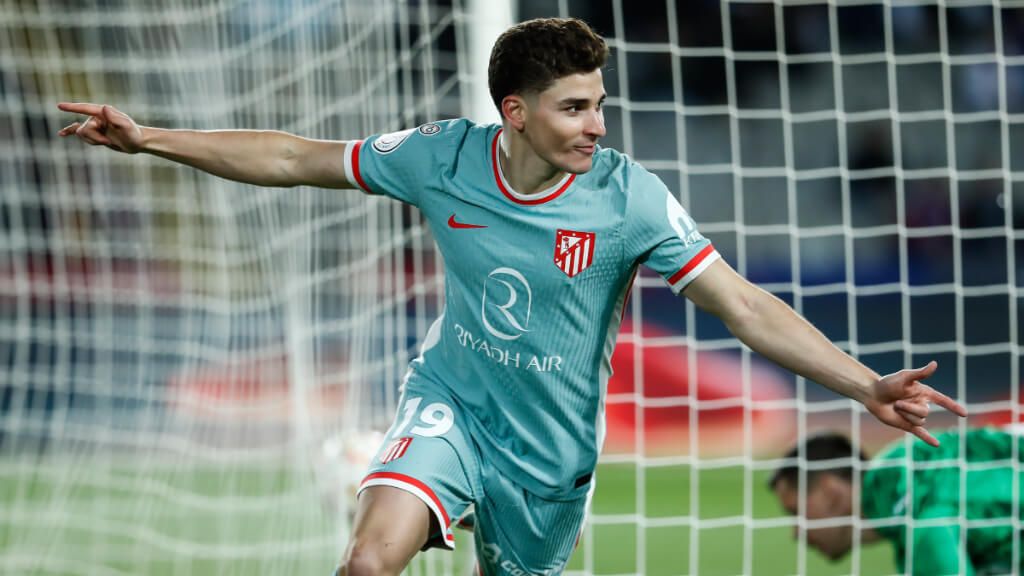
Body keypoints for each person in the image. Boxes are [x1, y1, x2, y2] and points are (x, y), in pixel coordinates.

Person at [58, 17, 967, 576]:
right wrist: (154, 141)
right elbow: (298, 159)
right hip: (450, 400)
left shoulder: (629, 198)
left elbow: (742, 306)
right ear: (517, 112)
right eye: (575, 107)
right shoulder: (442, 157)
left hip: (550, 452)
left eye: (600, 103)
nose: (597, 125)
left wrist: (863, 385)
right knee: (369, 558)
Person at [771, 429, 1021, 575]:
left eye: (796, 511)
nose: (796, 532)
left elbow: (932, 533)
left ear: (830, 490)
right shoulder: (901, 475)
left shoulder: (904, 502)